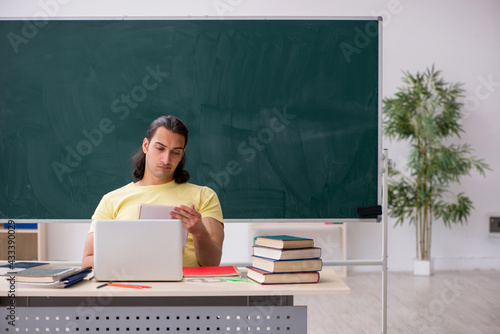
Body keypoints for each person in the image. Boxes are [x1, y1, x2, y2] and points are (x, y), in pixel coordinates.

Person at [81, 115, 224, 268]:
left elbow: (212, 263)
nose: (166, 159)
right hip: (133, 289)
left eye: (175, 152)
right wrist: (128, 256)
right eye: (160, 148)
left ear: (182, 154)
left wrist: (199, 232)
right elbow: (87, 261)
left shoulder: (204, 196)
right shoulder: (111, 200)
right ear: (145, 145)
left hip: (186, 289)